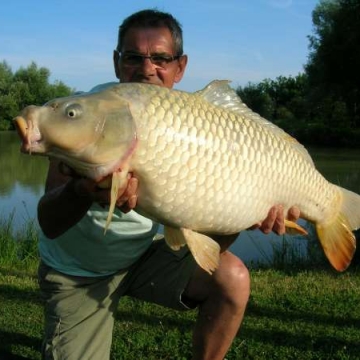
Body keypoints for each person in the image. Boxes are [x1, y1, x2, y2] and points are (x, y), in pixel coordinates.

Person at [37, 9, 300, 360]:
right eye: (134, 57)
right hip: (78, 273)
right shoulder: (87, 114)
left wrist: (247, 215)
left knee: (232, 278)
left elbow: (210, 241)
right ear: (117, 63)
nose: (147, 69)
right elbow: (49, 222)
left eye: (161, 58)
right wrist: (81, 192)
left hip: (142, 256)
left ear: (181, 67)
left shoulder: (198, 127)